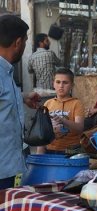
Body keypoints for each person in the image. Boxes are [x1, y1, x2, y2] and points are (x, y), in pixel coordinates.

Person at [0, 14, 41, 189]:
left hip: (8, 168)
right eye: (25, 41)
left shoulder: (6, 72)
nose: (25, 46)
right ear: (18, 43)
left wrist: (22, 97)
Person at [36, 68, 84, 154]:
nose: (61, 86)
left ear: (72, 85)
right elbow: (42, 131)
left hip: (71, 151)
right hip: (49, 149)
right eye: (58, 82)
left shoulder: (77, 103)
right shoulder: (48, 103)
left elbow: (80, 128)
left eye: (65, 82)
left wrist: (63, 121)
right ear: (53, 84)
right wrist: (39, 155)